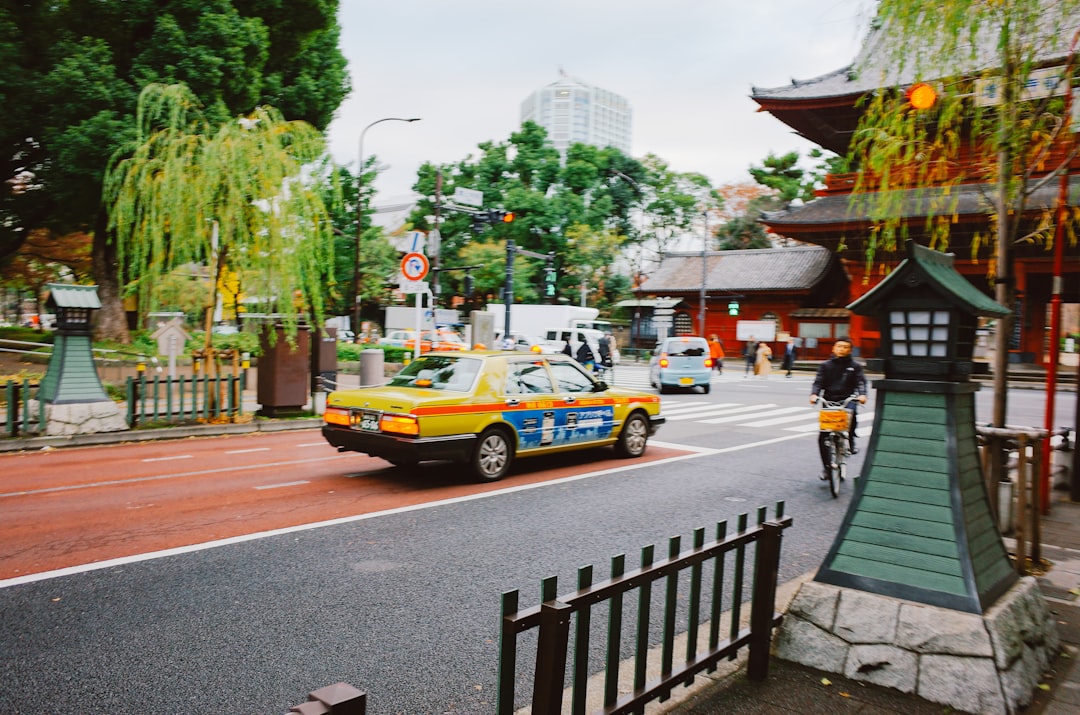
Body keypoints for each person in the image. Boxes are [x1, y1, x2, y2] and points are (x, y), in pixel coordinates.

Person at [810, 337, 868, 478]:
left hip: (847, 399)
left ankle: (851, 441)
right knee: (823, 437)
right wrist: (814, 394)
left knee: (852, 417)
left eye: (845, 347)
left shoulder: (855, 366)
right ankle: (827, 468)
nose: (842, 349)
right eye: (839, 346)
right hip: (829, 400)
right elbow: (818, 382)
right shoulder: (825, 366)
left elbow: (860, 382)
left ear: (850, 350)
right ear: (833, 348)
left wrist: (862, 395)